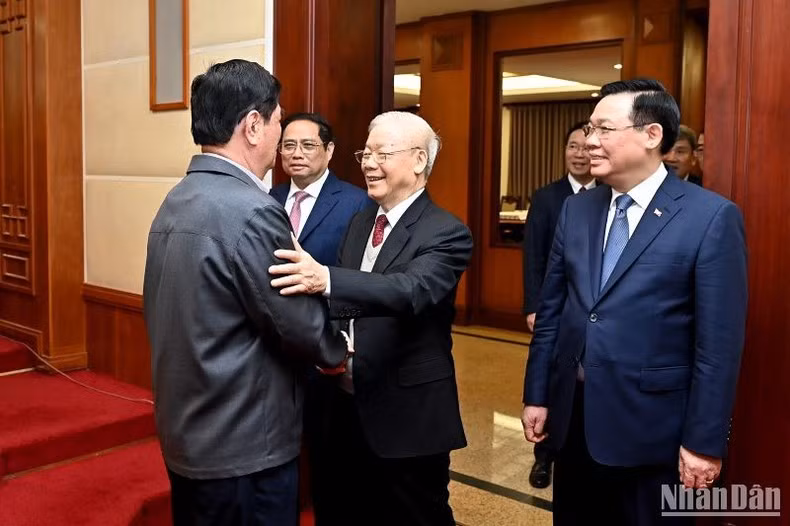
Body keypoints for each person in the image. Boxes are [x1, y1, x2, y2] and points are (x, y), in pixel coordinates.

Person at [521, 78, 748, 525]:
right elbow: (553, 312)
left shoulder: (710, 218)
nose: (590, 141)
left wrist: (703, 442)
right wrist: (538, 395)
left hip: (655, 434)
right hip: (575, 424)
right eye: (590, 129)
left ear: (651, 135)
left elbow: (717, 348)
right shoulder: (578, 208)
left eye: (604, 129)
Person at [143, 59, 350, 526]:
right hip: (244, 442)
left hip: (188, 433)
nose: (281, 138)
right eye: (279, 122)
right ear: (253, 125)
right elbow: (297, 326)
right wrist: (337, 347)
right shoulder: (254, 211)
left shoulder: (176, 199)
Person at [269, 111, 473, 526]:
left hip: (407, 413)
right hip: (342, 404)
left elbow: (411, 291)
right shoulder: (362, 220)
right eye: (366, 152)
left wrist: (323, 277)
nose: (368, 162)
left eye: (382, 153)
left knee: (413, 515)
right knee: (342, 509)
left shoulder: (446, 232)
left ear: (419, 160)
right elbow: (346, 305)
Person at [521, 121, 594, 489]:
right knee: (549, 380)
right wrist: (533, 306)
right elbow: (533, 256)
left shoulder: (606, 196)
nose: (580, 153)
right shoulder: (548, 197)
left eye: (586, 146)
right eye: (572, 146)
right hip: (553, 309)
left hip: (584, 313)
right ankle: (544, 457)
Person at [270, 112, 372, 266]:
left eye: (308, 145)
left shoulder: (358, 203)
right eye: (289, 145)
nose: (297, 154)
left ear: (329, 150)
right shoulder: (271, 197)